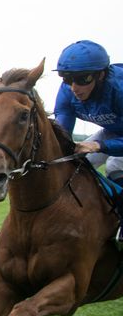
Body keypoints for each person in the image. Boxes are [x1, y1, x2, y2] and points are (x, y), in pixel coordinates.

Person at [53, 39, 123, 242]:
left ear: (101, 75)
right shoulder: (67, 91)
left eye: (82, 79)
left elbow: (101, 145)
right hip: (114, 131)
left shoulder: (119, 89)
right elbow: (63, 129)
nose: (74, 87)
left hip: (114, 136)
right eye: (67, 79)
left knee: (114, 165)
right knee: (74, 164)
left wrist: (99, 145)